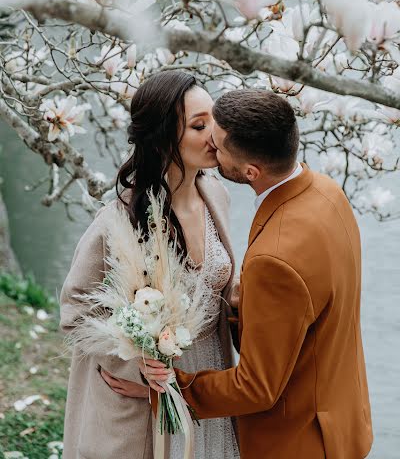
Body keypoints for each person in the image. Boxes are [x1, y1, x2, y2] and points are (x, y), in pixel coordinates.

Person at [141, 89, 373, 459]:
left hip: (297, 441)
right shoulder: (329, 193)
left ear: (250, 172)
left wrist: (170, 388)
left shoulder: (275, 260)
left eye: (218, 146)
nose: (210, 148)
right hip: (343, 421)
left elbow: (255, 388)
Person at [60, 71, 239, 459]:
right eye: (198, 125)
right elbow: (75, 311)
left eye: (215, 120)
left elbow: (224, 293)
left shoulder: (217, 194)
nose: (215, 135)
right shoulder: (118, 220)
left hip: (208, 380)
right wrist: (136, 363)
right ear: (161, 137)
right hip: (144, 398)